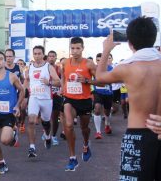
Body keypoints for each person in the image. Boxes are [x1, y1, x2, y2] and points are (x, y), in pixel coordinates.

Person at [95, 17, 161, 180]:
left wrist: (106, 50)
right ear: (153, 38)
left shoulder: (127, 68)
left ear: (130, 42)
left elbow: (100, 77)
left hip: (138, 135)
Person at [61, 37, 102, 171]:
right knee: (68, 124)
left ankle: (85, 145)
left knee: (84, 129)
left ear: (83, 48)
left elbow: (101, 82)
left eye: (78, 48)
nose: (75, 51)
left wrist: (86, 80)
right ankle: (72, 158)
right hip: (69, 99)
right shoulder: (65, 62)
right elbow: (63, 77)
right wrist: (63, 88)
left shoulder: (89, 64)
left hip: (84, 100)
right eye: (72, 48)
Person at [24, 46, 61, 157]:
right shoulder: (29, 67)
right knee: (31, 121)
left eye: (39, 53)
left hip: (46, 99)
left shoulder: (48, 67)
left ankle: (48, 136)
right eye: (35, 54)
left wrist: (48, 82)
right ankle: (32, 147)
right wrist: (24, 97)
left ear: (43, 54)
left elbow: (58, 82)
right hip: (34, 98)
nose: (37, 56)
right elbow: (26, 82)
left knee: (46, 122)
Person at [92, 53, 114, 139]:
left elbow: (111, 81)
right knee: (97, 109)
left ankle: (107, 124)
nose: (99, 62)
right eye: (97, 60)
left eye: (100, 60)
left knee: (107, 112)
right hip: (97, 92)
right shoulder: (93, 69)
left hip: (108, 93)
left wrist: (104, 80)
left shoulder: (110, 69)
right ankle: (98, 132)